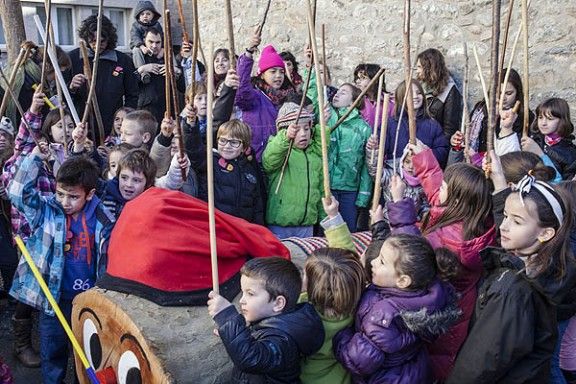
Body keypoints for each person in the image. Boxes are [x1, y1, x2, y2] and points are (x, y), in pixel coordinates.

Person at [447, 154, 576, 383]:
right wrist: (499, 183)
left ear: (546, 233)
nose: (504, 226)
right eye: (505, 216)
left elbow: (481, 361)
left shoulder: (512, 289)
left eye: (516, 221)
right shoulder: (545, 263)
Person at [381, 139, 496, 381]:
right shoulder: (470, 218)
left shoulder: (450, 239)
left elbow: (411, 255)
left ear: (455, 199)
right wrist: (425, 159)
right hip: (455, 315)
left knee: (435, 368)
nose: (438, 189)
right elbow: (437, 193)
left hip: (443, 326)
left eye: (445, 185)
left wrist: (399, 204)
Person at [8, 152, 114, 383]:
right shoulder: (48, 210)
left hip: (88, 300)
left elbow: (108, 261)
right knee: (52, 350)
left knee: (85, 352)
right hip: (54, 298)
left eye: (72, 197)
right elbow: (16, 193)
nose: (64, 202)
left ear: (90, 194)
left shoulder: (103, 218)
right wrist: (34, 159)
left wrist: (103, 295)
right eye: (60, 193)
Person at [334, 233, 460, 384]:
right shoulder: (428, 291)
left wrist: (341, 337)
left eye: (381, 261)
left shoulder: (382, 317)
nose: (373, 262)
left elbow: (358, 361)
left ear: (402, 281)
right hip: (414, 370)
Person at [207, 257, 324, 383]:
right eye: (243, 293)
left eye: (250, 294)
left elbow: (251, 358)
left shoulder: (283, 342)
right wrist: (232, 333)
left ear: (278, 303)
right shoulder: (277, 323)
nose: (241, 300)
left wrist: (228, 318)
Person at [306, 69, 373, 232]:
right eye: (337, 91)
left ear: (353, 101)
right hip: (327, 185)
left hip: (350, 188)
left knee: (347, 231)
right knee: (326, 232)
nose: (336, 94)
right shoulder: (327, 117)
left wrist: (364, 194)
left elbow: (367, 164)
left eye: (343, 93)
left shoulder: (363, 128)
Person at [68, 14, 138, 138]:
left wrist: (125, 117)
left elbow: (132, 94)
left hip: (112, 124)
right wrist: (72, 87)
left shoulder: (123, 61)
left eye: (102, 41)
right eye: (93, 41)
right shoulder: (73, 58)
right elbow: (61, 95)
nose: (97, 45)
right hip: (81, 123)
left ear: (109, 39)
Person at [185, 118, 265, 224]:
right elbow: (194, 150)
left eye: (234, 142)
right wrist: (191, 126)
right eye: (222, 140)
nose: (227, 146)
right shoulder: (209, 161)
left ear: (244, 147)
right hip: (215, 226)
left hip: (241, 230)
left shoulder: (249, 170)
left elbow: (257, 208)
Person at [262, 101, 323, 238]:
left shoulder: (313, 154)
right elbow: (269, 161)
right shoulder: (280, 150)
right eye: (297, 130)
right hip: (281, 224)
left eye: (306, 129)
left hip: (307, 224)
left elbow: (320, 189)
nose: (303, 134)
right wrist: (285, 138)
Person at [235, 29, 297, 161]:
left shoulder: (288, 98)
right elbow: (241, 89)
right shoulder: (254, 97)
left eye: (281, 72)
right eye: (273, 72)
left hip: (282, 160)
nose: (278, 76)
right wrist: (248, 53)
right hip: (256, 159)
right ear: (262, 74)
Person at [451, 68, 534, 160]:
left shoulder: (525, 116)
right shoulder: (481, 110)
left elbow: (521, 150)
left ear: (517, 93)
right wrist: (459, 140)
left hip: (506, 167)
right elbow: (469, 139)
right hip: (476, 166)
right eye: (499, 93)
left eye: (509, 93)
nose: (503, 98)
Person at [367, 79, 449, 170]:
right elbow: (379, 152)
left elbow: (443, 151)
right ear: (401, 98)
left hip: (423, 176)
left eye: (419, 93)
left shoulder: (432, 125)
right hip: (396, 175)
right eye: (410, 94)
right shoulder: (390, 124)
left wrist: (425, 153)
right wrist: (374, 146)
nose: (415, 97)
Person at [135, 28, 184, 124]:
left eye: (158, 42)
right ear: (144, 41)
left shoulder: (169, 57)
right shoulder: (138, 58)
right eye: (151, 42)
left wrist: (176, 71)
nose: (154, 46)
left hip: (168, 111)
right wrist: (141, 70)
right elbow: (129, 85)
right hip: (145, 111)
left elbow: (182, 88)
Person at [522, 98, 576, 180]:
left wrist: (540, 154)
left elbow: (563, 186)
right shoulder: (533, 139)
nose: (543, 123)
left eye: (550, 119)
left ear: (562, 121)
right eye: (540, 117)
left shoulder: (570, 154)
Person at [415, 48, 463, 139]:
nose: (417, 71)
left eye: (419, 67)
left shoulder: (449, 92)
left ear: (429, 68)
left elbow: (449, 131)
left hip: (434, 144)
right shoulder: (420, 86)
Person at [353, 63, 393, 129]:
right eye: (357, 78)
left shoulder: (389, 103)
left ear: (375, 80)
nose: (357, 81)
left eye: (363, 78)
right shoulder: (356, 101)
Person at [129, 0, 164, 73]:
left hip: (155, 47)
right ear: (138, 16)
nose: (145, 16)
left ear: (153, 15)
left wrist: (162, 48)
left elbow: (162, 37)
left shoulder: (156, 25)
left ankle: (175, 70)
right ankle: (142, 72)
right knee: (136, 50)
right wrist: (142, 47)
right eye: (142, 14)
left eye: (148, 14)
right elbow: (135, 37)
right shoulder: (136, 25)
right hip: (141, 47)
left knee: (170, 50)